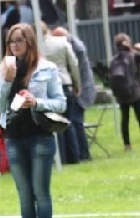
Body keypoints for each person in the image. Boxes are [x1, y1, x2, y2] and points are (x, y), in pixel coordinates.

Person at [0, 23, 66, 218]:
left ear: (30, 42)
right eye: (11, 41)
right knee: (24, 195)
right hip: (14, 137)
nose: (14, 45)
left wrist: (37, 102)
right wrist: (6, 80)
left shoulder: (47, 68)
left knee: (40, 192)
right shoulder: (5, 69)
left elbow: (61, 103)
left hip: (40, 136)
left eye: (19, 40)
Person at [52, 27, 96, 162]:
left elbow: (73, 67)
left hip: (80, 89)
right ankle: (80, 154)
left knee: (75, 123)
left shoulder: (74, 48)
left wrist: (76, 87)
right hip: (81, 87)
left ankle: (82, 154)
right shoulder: (77, 45)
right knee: (75, 123)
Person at [42, 21, 80, 165]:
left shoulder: (36, 47)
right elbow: (74, 63)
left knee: (54, 122)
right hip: (65, 82)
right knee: (68, 121)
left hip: (47, 86)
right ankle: (75, 157)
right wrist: (77, 84)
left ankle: (61, 158)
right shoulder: (62, 42)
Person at [112, 33, 140, 152]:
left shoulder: (114, 59)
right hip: (135, 92)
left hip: (121, 93)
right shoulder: (134, 56)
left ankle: (127, 145)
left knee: (124, 120)